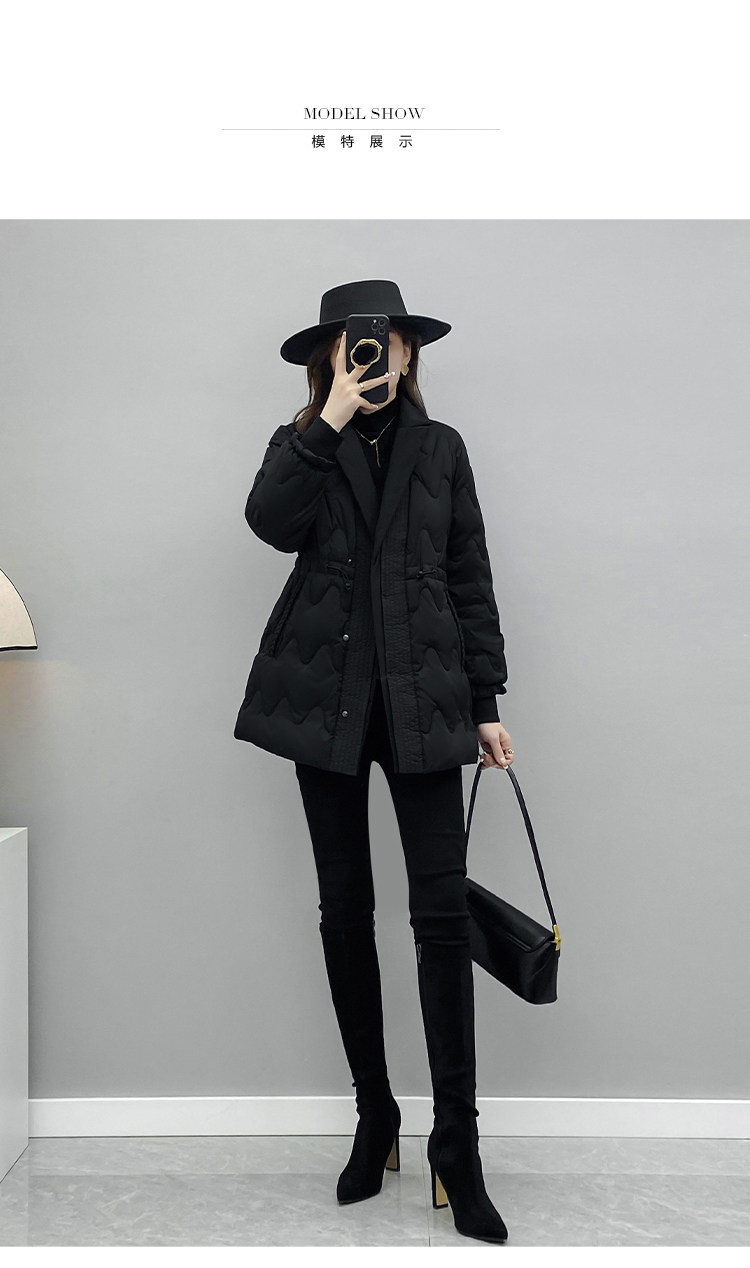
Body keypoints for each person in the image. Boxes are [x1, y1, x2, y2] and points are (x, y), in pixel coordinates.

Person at [234, 279, 515, 1246]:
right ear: (331, 354)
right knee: (345, 909)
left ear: (408, 352)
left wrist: (486, 704)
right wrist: (329, 419)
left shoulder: (442, 450)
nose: (374, 353)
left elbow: (470, 574)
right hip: (329, 705)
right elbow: (270, 522)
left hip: (427, 701)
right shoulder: (301, 440)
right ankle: (375, 1116)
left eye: (388, 340)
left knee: (442, 919)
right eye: (357, 342)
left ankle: (458, 1147)